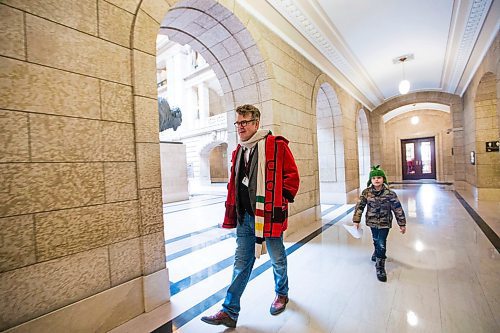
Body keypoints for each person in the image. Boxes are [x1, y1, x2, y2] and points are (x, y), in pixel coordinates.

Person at [201, 104, 300, 328]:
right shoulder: (239, 151)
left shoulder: (276, 145)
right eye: (238, 122)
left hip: (269, 215)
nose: (240, 127)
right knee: (241, 262)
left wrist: (279, 199)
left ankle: (281, 293)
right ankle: (230, 310)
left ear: (256, 123)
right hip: (245, 217)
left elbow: (292, 177)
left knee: (277, 257)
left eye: (244, 122)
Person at [352, 165, 406, 282]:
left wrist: (402, 223)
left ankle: (380, 266)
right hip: (372, 222)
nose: (376, 180)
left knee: (381, 242)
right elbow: (359, 207)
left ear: (383, 179)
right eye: (374, 178)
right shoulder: (366, 192)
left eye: (379, 177)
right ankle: (376, 252)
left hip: (385, 222)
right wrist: (356, 221)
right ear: (370, 180)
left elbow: (397, 209)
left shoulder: (390, 194)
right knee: (376, 239)